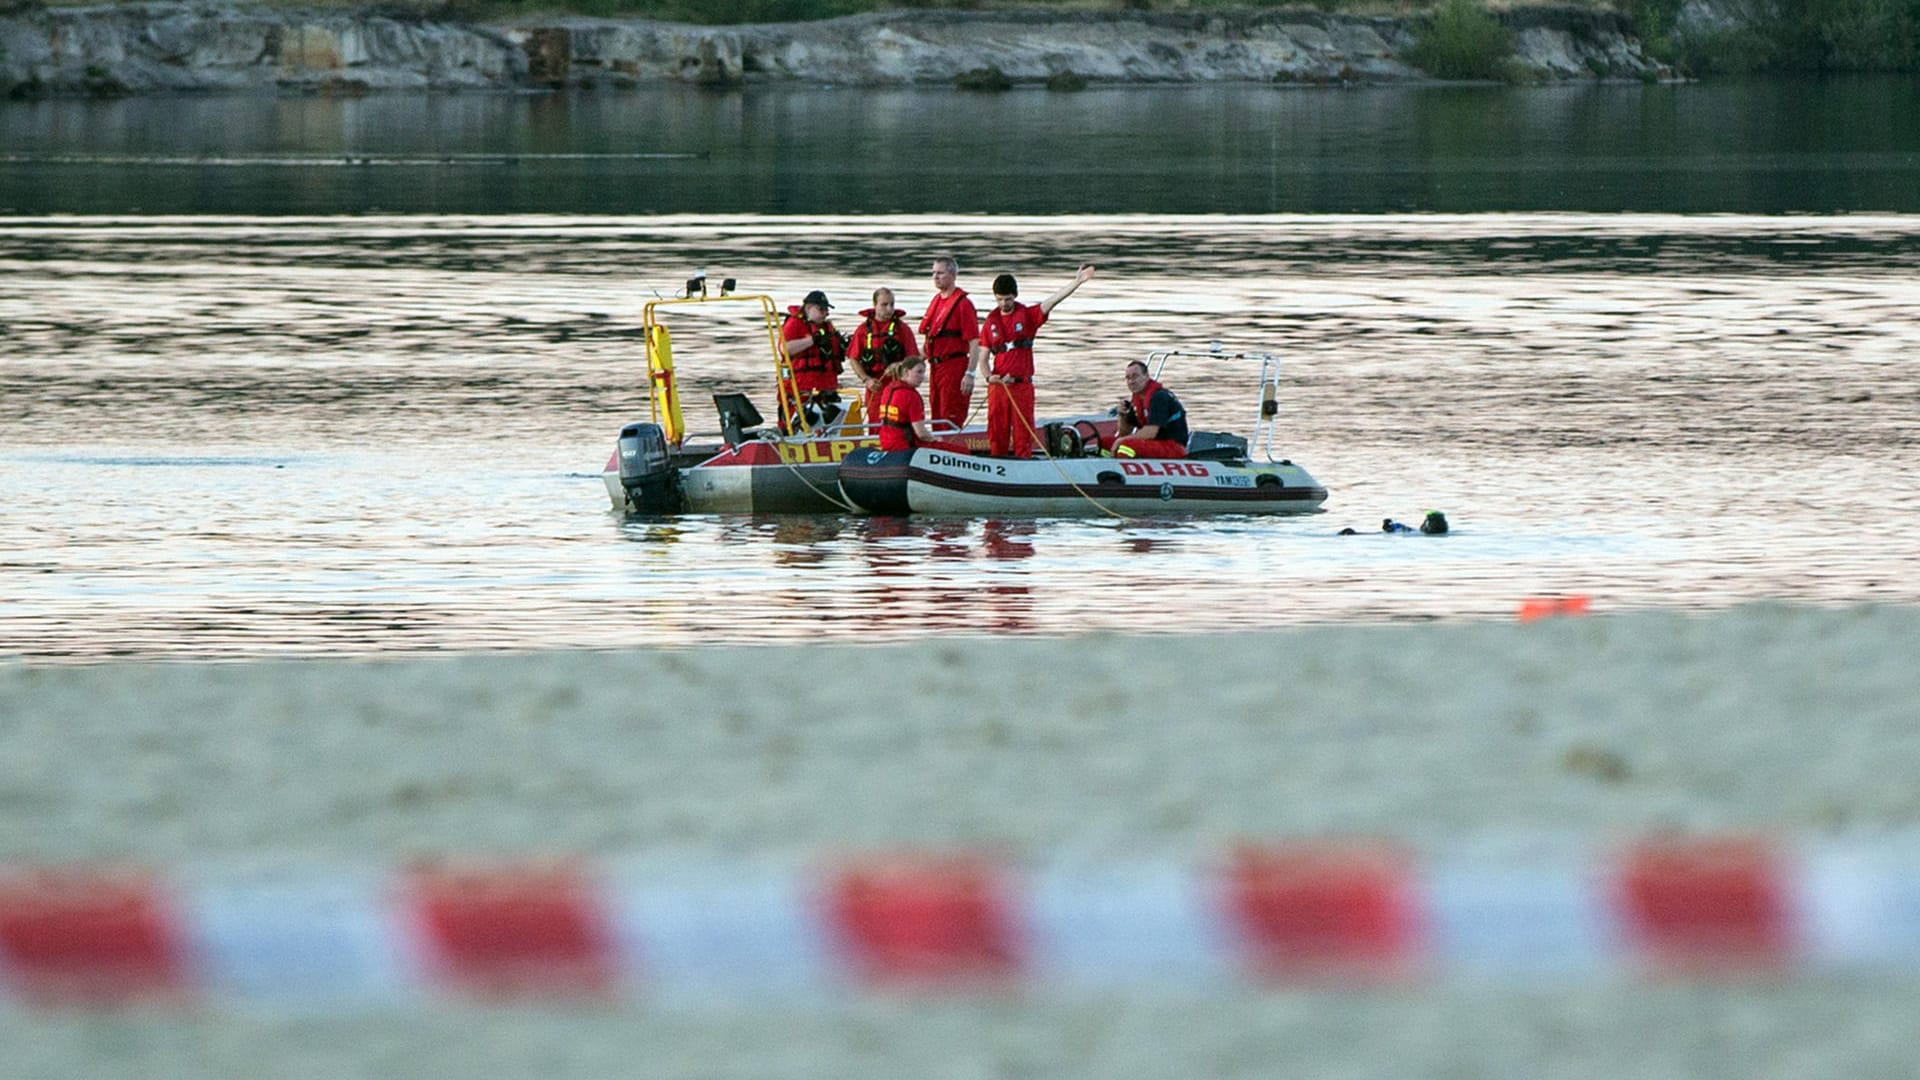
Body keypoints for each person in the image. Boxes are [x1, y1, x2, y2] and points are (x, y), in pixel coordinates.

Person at [972, 264, 1095, 459]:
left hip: (1021, 387)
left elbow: (1053, 300)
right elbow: (983, 358)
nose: (1004, 303)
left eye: (1008, 299)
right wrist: (989, 377)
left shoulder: (1028, 316)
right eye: (1000, 299)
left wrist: (1077, 282)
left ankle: (1024, 463)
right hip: (998, 388)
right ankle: (997, 463)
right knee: (997, 431)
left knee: (1023, 432)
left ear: (1015, 296)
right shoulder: (990, 323)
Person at [916, 256, 979, 431]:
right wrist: (909, 363)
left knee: (950, 413)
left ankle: (952, 448)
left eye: (940, 273)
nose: (936, 277)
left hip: (953, 367)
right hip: (935, 367)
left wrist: (970, 373)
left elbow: (974, 342)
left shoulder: (963, 305)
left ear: (953, 275)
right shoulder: (936, 301)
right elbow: (930, 342)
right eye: (934, 273)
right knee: (936, 413)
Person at [846, 287, 919, 431]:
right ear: (875, 305)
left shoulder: (903, 329)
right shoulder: (863, 330)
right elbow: (853, 358)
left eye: (892, 304)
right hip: (875, 385)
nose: (889, 309)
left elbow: (914, 358)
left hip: (898, 385)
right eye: (884, 305)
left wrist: (899, 365)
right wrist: (866, 379)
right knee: (875, 423)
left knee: (899, 422)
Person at [873, 356, 970, 454]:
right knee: (962, 452)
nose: (922, 377)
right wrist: (935, 439)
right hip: (905, 446)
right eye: (919, 372)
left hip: (886, 443)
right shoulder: (911, 396)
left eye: (923, 372)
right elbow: (921, 434)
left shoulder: (887, 389)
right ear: (906, 372)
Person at [781, 289, 846, 430]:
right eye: (821, 309)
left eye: (827, 310)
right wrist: (812, 340)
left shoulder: (827, 327)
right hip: (800, 386)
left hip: (825, 386)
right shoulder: (794, 323)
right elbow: (785, 349)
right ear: (809, 308)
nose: (825, 313)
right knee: (796, 422)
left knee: (832, 419)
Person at [1113, 359, 1189, 459]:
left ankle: (1122, 469)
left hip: (1173, 446)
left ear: (1146, 376)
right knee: (1104, 443)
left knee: (1126, 446)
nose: (1131, 381)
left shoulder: (1159, 397)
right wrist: (1122, 415)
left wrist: (1121, 441)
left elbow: (1150, 432)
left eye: (1135, 376)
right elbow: (1124, 432)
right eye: (1128, 378)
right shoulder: (1137, 399)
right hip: (1154, 443)